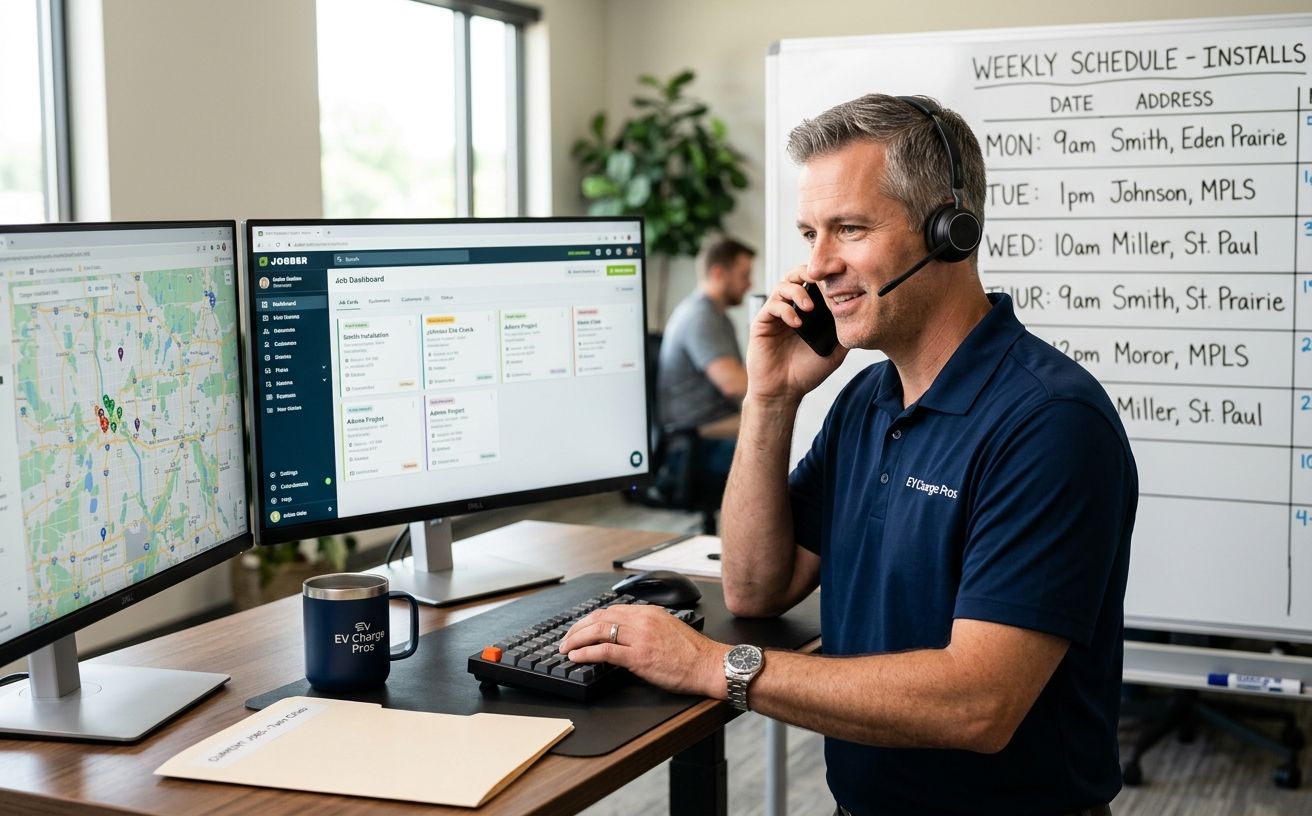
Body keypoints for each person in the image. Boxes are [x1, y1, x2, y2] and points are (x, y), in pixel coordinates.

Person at [561, 93, 1137, 816]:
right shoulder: (867, 401)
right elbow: (756, 588)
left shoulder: (1049, 422)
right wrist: (769, 401)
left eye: (850, 229)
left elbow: (978, 704)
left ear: (949, 230)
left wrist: (712, 665)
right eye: (810, 234)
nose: (818, 266)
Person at [654, 236, 755, 490]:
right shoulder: (701, 317)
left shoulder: (714, 315)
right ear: (719, 272)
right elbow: (733, 384)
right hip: (693, 444)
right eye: (744, 275)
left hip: (710, 430)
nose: (749, 284)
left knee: (782, 431)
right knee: (778, 454)